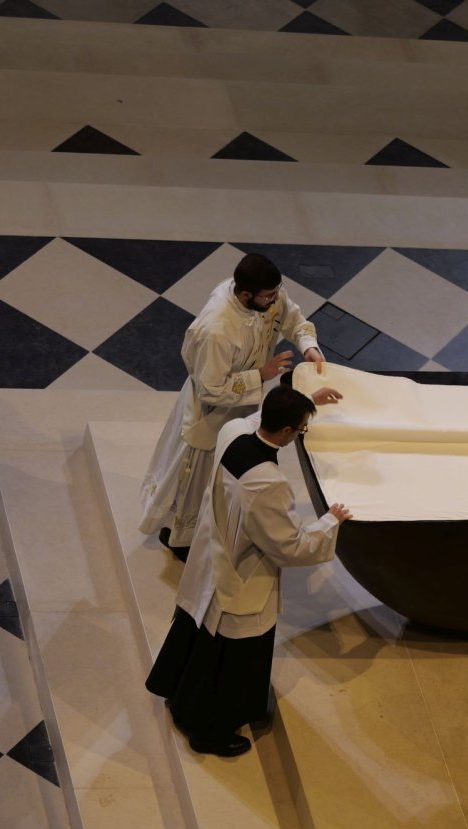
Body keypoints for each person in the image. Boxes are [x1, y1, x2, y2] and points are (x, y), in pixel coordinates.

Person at [145, 386, 352, 757]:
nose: (299, 434)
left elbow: (256, 419)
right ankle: (208, 732)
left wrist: (305, 402)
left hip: (211, 556)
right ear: (287, 432)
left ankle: (177, 693)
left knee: (196, 632)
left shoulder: (232, 435)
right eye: (301, 428)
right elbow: (288, 546)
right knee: (228, 656)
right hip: (239, 575)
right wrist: (328, 522)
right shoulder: (268, 483)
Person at [138, 252, 338, 561]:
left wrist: (309, 348)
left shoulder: (269, 295)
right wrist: (261, 374)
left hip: (243, 403)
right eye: (269, 296)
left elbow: (294, 320)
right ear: (245, 294)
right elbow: (210, 389)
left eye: (277, 292)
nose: (276, 301)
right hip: (209, 415)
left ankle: (213, 522)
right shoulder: (216, 329)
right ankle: (179, 539)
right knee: (196, 480)